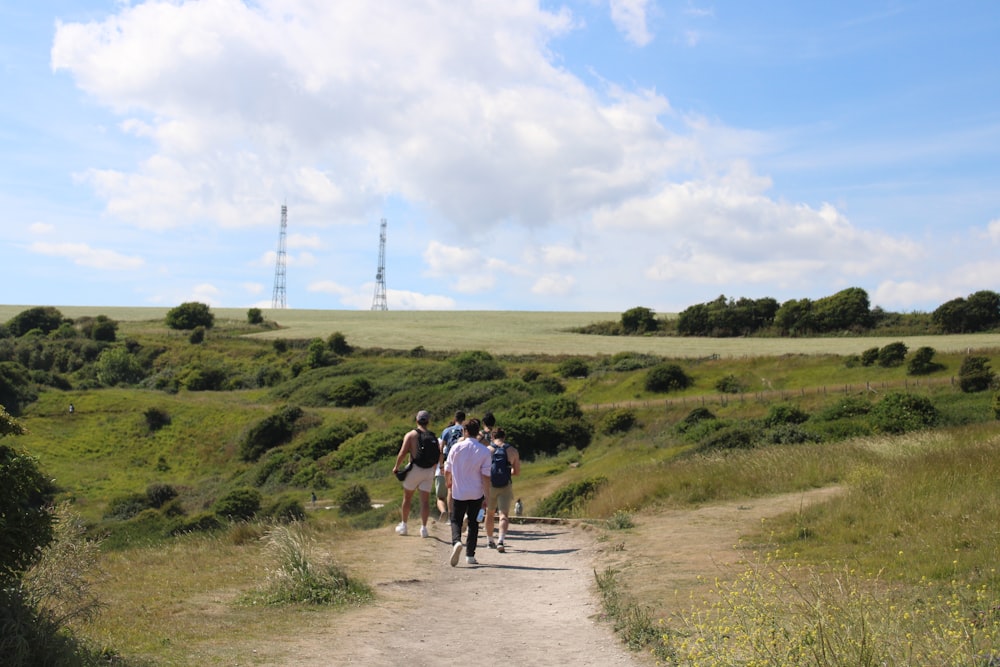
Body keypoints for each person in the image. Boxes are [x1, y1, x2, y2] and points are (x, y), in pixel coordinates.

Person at [443, 418, 491, 566]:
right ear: (478, 432)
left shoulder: (456, 448)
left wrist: (448, 483)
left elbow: (447, 469)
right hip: (476, 492)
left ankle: (456, 541)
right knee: (473, 523)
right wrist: (487, 496)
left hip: (459, 491)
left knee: (456, 520)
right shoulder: (484, 451)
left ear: (465, 431)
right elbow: (486, 476)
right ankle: (470, 555)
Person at [391, 410, 439, 538]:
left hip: (415, 469)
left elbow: (402, 452)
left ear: (416, 420)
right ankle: (424, 529)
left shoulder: (411, 435)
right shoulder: (433, 436)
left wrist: (396, 467)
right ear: (428, 421)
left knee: (407, 498)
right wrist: (433, 470)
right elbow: (438, 455)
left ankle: (404, 526)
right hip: (428, 471)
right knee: (425, 501)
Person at [484, 427, 520, 553]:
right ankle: (501, 540)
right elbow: (516, 472)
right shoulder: (512, 451)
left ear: (492, 437)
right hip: (505, 485)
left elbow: (483, 470)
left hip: (490, 485)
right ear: (504, 437)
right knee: (503, 514)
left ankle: (490, 540)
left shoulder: (487, 450)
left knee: (489, 513)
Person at [435, 410, 466, 522]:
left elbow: (441, 449)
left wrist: (441, 465)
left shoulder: (446, 431)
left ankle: (451, 517)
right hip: (463, 463)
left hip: (449, 461)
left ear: (455, 419)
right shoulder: (465, 430)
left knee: (450, 490)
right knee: (463, 490)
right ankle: (464, 515)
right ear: (464, 419)